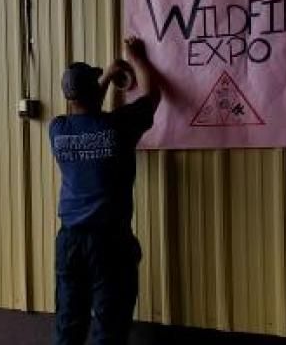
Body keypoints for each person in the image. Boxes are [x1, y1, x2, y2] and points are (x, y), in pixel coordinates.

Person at [50, 37, 161, 345]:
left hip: (69, 241)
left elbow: (84, 106)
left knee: (68, 324)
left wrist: (108, 76)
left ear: (68, 98)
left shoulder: (58, 130)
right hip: (109, 243)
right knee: (109, 327)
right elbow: (153, 95)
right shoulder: (119, 127)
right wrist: (137, 58)